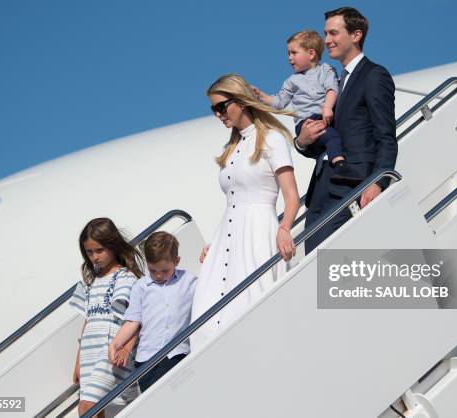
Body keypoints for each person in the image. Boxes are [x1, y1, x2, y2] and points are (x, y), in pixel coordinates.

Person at [190, 74, 300, 351]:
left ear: (241, 102)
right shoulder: (231, 149)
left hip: (257, 230)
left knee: (251, 304)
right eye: (213, 109)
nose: (218, 115)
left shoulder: (272, 140)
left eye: (221, 107)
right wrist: (215, 242)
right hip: (228, 237)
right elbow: (232, 204)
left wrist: (284, 227)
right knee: (208, 310)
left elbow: (291, 195)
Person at [295, 7, 398, 254]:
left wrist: (378, 182)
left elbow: (386, 136)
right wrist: (303, 141)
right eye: (325, 34)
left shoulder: (374, 75)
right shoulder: (334, 83)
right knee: (314, 266)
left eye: (333, 33)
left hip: (351, 186)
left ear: (356, 35)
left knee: (329, 267)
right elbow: (332, 139)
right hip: (321, 190)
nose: (326, 40)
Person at [69, 218, 144, 417]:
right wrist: (78, 361)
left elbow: (135, 318)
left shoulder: (125, 277)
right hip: (89, 351)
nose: (94, 257)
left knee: (87, 408)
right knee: (94, 409)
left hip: (111, 348)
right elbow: (88, 320)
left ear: (113, 246)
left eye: (99, 250)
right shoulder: (91, 281)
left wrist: (127, 348)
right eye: (89, 252)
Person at [109, 232, 197, 393]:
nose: (158, 275)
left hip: (178, 354)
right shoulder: (141, 287)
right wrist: (116, 343)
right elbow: (133, 321)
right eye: (152, 270)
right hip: (146, 360)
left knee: (180, 397)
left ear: (176, 261)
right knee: (154, 403)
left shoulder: (190, 281)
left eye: (164, 270)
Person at [252, 30, 349, 172]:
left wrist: (327, 107)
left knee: (331, 136)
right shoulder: (292, 81)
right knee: (331, 136)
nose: (289, 58)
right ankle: (339, 162)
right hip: (305, 122)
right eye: (288, 54)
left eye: (294, 53)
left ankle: (331, 162)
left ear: (311, 54)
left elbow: (331, 89)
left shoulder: (326, 70)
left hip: (324, 116)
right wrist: (261, 95)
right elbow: (279, 102)